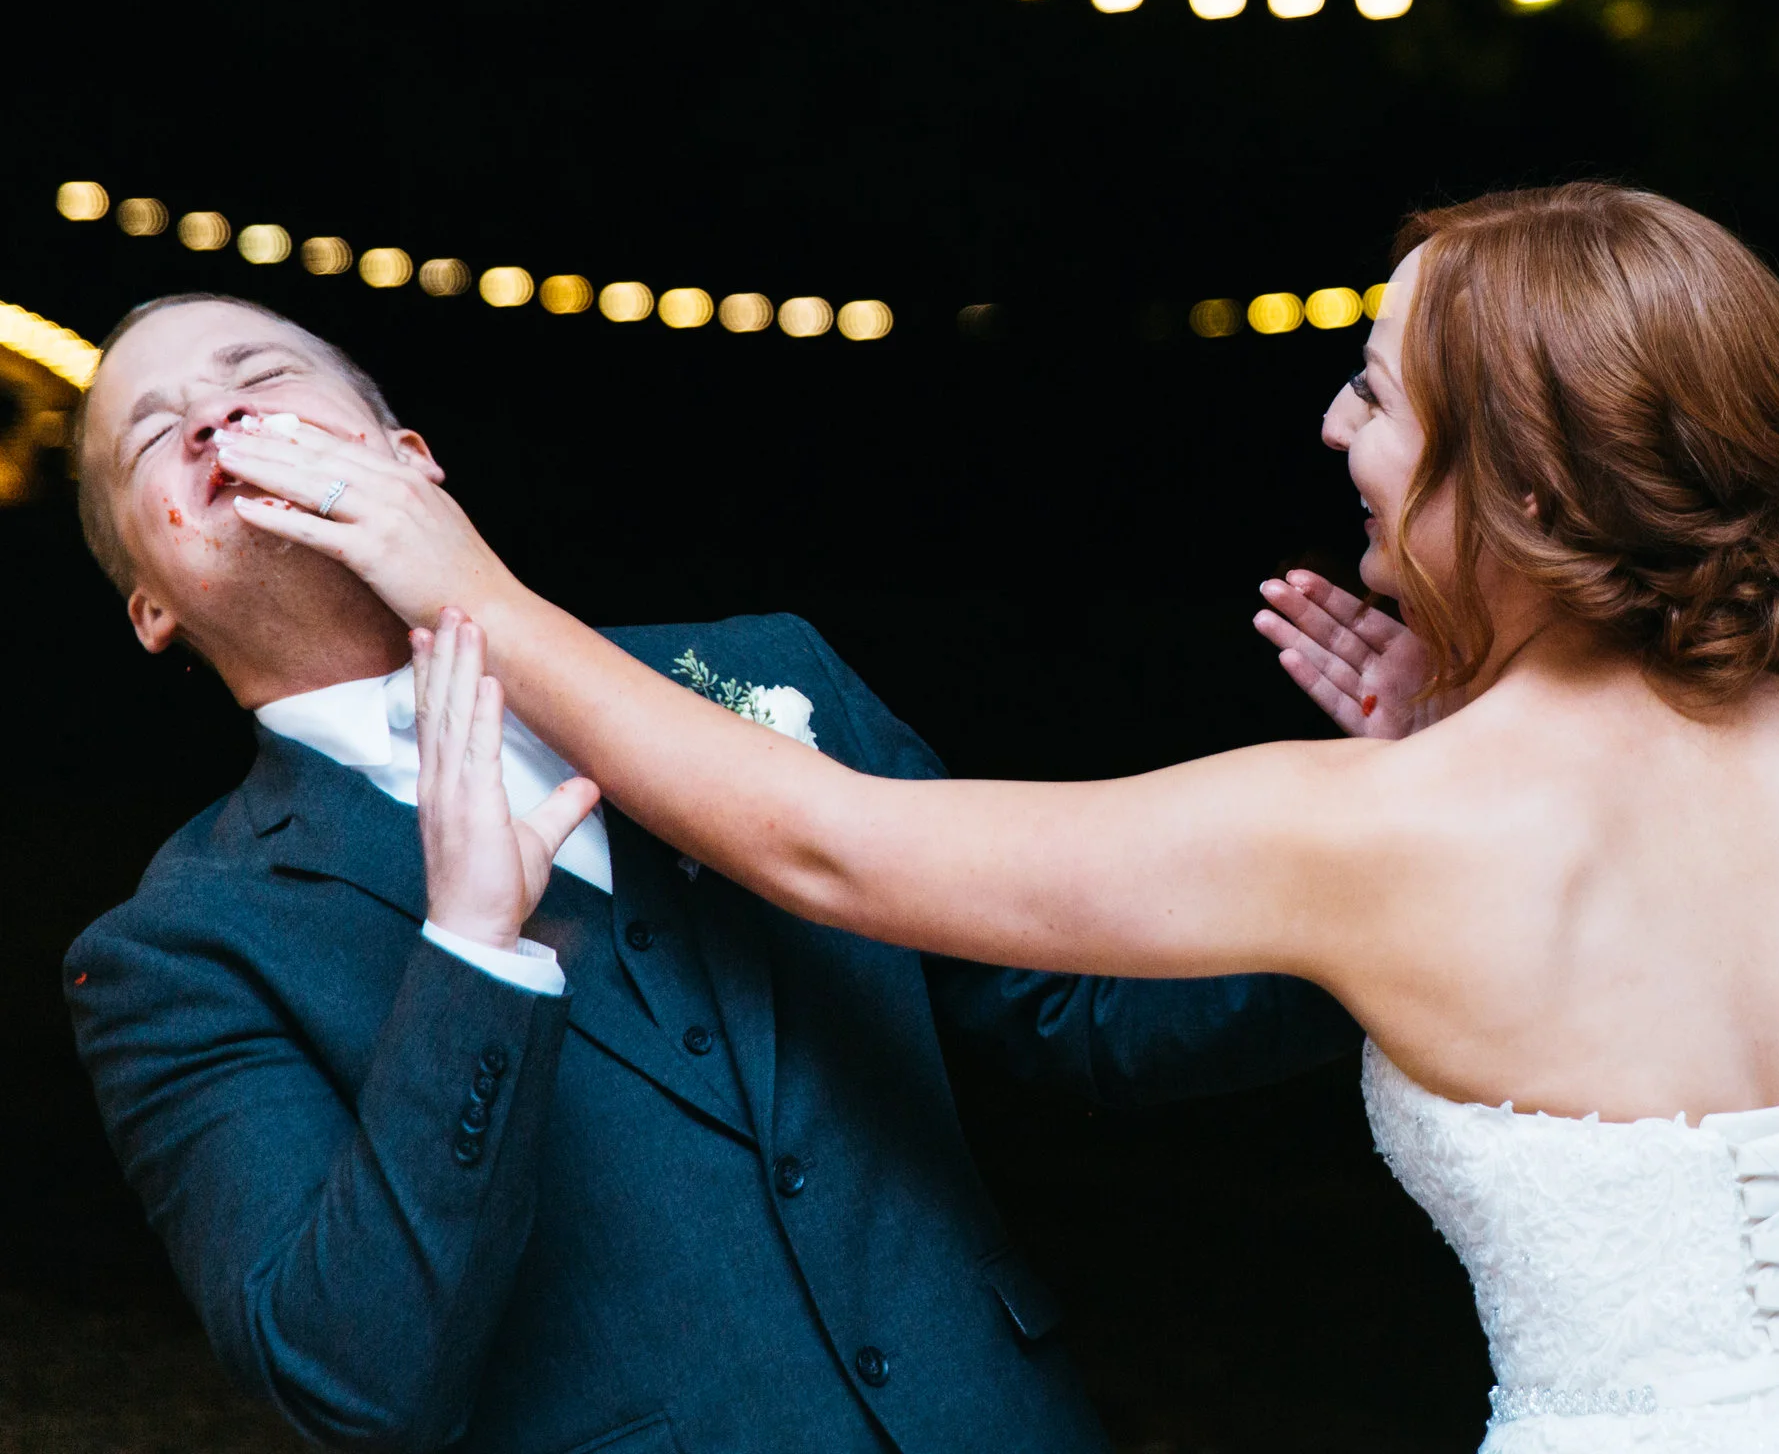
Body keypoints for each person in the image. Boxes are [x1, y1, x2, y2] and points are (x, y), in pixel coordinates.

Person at [227, 183, 1779, 1452]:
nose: (1333, 426)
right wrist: (1464, 732)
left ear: (1527, 486)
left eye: (1375, 390)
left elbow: (830, 845)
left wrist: (470, 589)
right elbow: (1635, 947)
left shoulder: (1378, 829)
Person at [61, 292, 1356, 1454]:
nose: (216, 414)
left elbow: (1068, 1004)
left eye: (260, 374)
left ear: (412, 458)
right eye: (154, 433)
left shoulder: (762, 671)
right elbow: (353, 1382)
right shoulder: (173, 951)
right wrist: (468, 955)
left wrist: (1394, 879)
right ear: (149, 610)